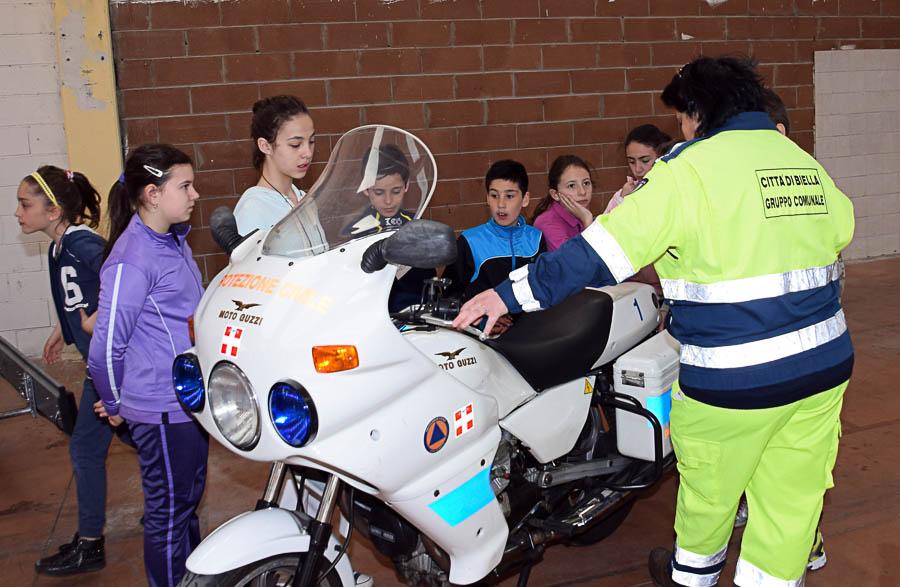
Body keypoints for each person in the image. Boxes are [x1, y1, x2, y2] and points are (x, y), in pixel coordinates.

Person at [453, 56, 854, 587]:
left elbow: (596, 254)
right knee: (790, 505)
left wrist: (506, 295)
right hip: (822, 374)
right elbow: (841, 227)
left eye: (682, 118)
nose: (682, 130)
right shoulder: (800, 161)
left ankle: (692, 578)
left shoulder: (687, 172)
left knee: (709, 500)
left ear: (697, 114)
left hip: (734, 383)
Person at [88, 144, 207, 587]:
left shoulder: (173, 240)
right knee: (168, 515)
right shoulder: (131, 258)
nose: (195, 195)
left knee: (184, 506)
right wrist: (114, 400)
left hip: (185, 401)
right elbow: (104, 347)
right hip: (160, 408)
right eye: (185, 186)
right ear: (153, 194)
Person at [16, 166, 130, 576]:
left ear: (53, 211)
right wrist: (61, 332)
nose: (17, 213)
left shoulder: (83, 243)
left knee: (88, 448)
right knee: (134, 438)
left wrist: (97, 318)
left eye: (24, 204)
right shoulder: (56, 248)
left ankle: (91, 543)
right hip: (98, 366)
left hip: (114, 367)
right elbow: (75, 295)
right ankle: (172, 507)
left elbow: (121, 279)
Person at [345, 143, 435, 312]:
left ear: (406, 185)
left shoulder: (416, 226)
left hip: (413, 315)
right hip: (369, 315)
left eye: (396, 191)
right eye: (379, 192)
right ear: (366, 189)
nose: (388, 201)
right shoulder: (354, 231)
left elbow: (429, 281)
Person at [233, 95, 325, 247]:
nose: (308, 153)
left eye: (311, 141)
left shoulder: (304, 199)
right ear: (265, 146)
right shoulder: (253, 208)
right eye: (296, 144)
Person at [604, 124, 672, 214]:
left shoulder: (674, 189)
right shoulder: (622, 195)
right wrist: (622, 200)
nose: (637, 169)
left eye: (645, 160)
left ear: (661, 157)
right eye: (632, 162)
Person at [531, 155, 594, 251]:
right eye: (572, 185)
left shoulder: (581, 214)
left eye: (586, 183)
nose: (582, 192)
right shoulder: (547, 223)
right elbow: (577, 261)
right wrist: (587, 222)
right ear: (555, 194)